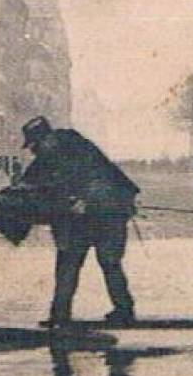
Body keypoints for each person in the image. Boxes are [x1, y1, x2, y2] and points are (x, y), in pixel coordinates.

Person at [14, 115, 139, 328]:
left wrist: (84, 199)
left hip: (107, 215)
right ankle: (60, 315)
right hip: (80, 221)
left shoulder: (78, 148)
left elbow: (98, 176)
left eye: (35, 145)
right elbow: (28, 183)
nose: (34, 151)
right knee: (67, 264)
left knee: (108, 262)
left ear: (48, 139)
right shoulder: (47, 156)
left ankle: (124, 310)